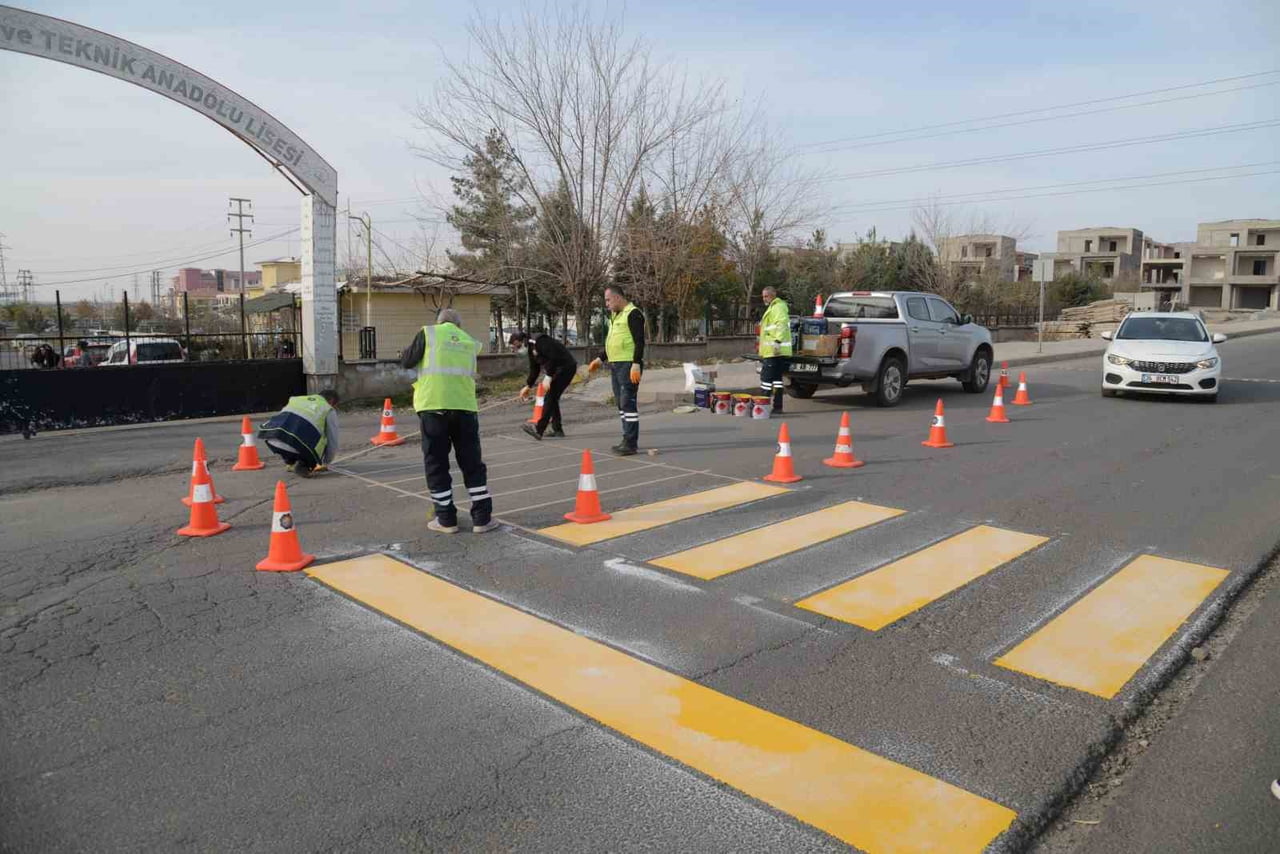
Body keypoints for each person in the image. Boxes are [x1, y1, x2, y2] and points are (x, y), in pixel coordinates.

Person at [399, 308, 496, 534]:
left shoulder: (429, 333)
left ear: (439, 322)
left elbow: (407, 361)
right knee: (472, 462)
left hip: (433, 407)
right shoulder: (470, 341)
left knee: (437, 462)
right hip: (464, 407)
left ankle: (445, 519)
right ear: (458, 326)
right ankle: (482, 519)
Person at [586, 285, 645, 456]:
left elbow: (639, 341)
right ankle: (626, 438)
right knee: (621, 403)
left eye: (608, 300)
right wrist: (600, 359)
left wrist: (636, 363)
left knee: (628, 402)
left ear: (618, 298)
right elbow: (613, 341)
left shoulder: (633, 313)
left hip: (628, 365)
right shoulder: (615, 315)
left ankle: (631, 443)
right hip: (616, 364)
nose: (607, 304)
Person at [258, 389, 341, 478]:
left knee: (294, 431)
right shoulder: (328, 409)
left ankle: (290, 462)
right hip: (295, 444)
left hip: (273, 438)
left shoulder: (297, 399)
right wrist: (326, 462)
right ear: (331, 401)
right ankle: (303, 466)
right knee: (321, 440)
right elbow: (332, 439)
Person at [511, 330, 576, 440]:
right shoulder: (531, 349)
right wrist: (528, 385)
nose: (517, 349)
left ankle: (539, 430)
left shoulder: (540, 341)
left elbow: (553, 357)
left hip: (566, 368)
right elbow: (534, 368)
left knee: (550, 397)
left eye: (517, 346)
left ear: (522, 340)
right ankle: (558, 430)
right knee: (552, 398)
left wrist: (549, 376)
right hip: (556, 370)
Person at [758, 286, 793, 415]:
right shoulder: (775, 307)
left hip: (774, 350)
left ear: (773, 295)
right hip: (775, 351)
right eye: (763, 296)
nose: (764, 298)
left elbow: (782, 324)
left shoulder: (777, 307)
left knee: (766, 379)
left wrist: (777, 342)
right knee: (777, 380)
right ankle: (777, 407)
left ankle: (762, 407)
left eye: (766, 296)